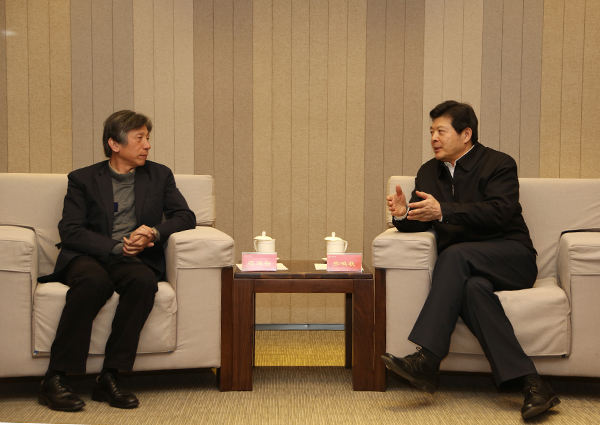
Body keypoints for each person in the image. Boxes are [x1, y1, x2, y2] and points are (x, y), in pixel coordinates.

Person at [381, 100, 560, 420]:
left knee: (455, 255)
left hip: (512, 257)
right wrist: (404, 214)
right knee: (473, 290)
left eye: (441, 131)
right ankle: (534, 385)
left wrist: (444, 211)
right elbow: (422, 221)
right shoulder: (428, 172)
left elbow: (499, 212)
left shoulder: (499, 164)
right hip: (464, 270)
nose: (434, 138)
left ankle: (427, 359)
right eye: (431, 132)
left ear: (466, 134)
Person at [37, 110, 196, 411]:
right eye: (140, 138)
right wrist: (114, 247)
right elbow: (70, 230)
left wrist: (152, 233)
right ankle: (55, 377)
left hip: (133, 260)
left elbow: (185, 216)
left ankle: (110, 377)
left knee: (144, 281)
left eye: (147, 138)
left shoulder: (159, 175)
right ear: (114, 144)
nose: (147, 145)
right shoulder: (82, 179)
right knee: (92, 282)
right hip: (89, 255)